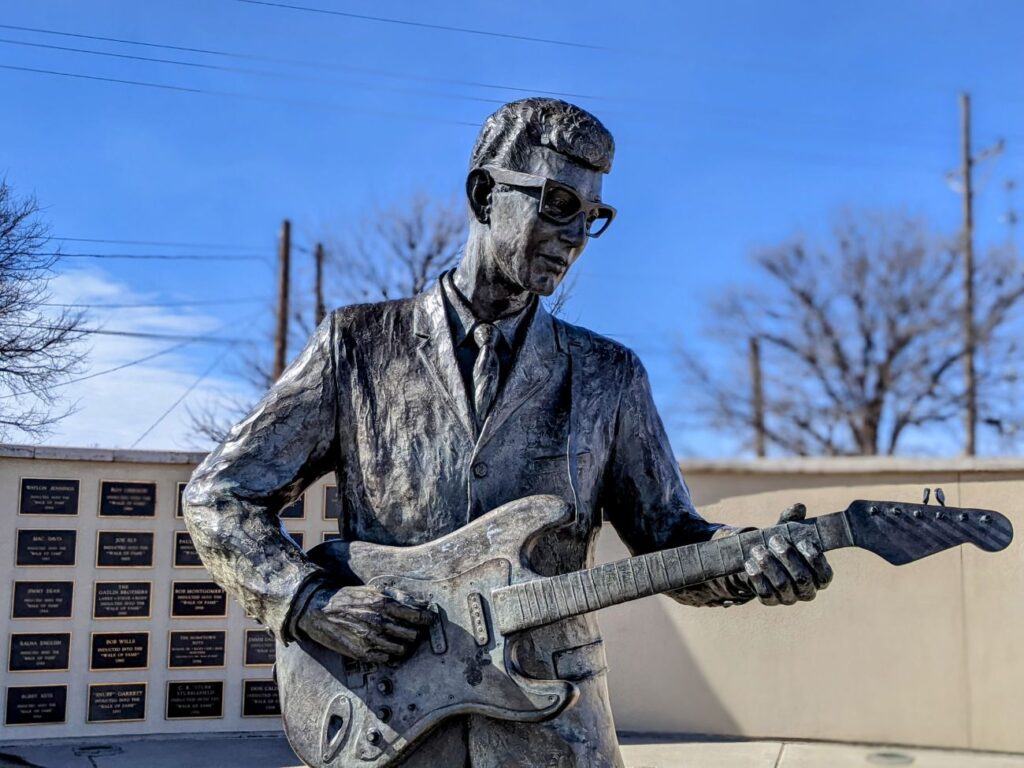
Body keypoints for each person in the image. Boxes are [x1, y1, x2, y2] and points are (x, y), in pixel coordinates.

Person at [183, 98, 833, 768]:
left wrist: (745, 562)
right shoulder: (358, 346)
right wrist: (307, 600)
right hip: (392, 722)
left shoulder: (611, 376)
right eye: (557, 202)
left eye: (592, 216)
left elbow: (672, 537)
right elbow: (218, 495)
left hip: (554, 728)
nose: (575, 234)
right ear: (485, 193)